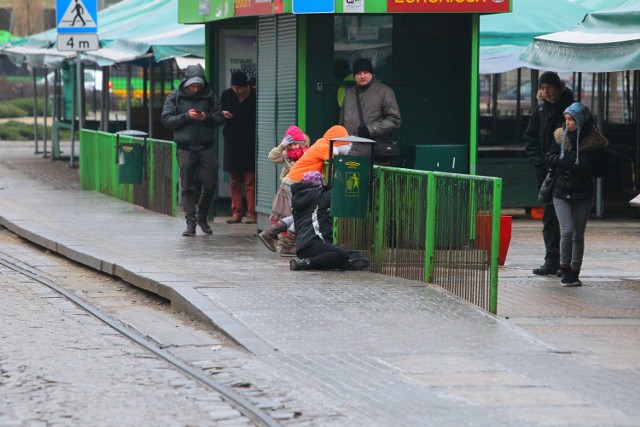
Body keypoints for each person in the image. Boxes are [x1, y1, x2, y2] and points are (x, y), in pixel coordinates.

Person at [258, 125, 353, 254]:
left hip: (295, 181)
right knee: (302, 214)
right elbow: (337, 163)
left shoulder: (321, 144)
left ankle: (271, 232)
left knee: (299, 213)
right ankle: (287, 244)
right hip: (297, 182)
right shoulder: (325, 147)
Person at [545, 102, 608, 286]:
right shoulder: (560, 137)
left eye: (571, 119)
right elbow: (548, 156)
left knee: (578, 234)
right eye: (566, 119)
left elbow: (602, 168)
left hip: (582, 193)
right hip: (561, 190)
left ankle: (575, 270)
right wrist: (561, 161)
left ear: (581, 120)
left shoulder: (594, 142)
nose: (568, 123)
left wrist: (585, 167)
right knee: (567, 230)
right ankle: (564, 268)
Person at [161, 64, 225, 237]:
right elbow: (166, 120)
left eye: (198, 85)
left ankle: (202, 215)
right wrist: (186, 116)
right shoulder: (175, 97)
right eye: (192, 86)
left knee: (210, 184)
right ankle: (190, 224)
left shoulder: (210, 95)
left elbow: (219, 118)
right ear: (185, 83)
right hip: (185, 148)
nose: (195, 89)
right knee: (187, 187)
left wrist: (207, 117)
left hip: (206, 147)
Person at [524, 71, 575, 276]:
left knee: (567, 222)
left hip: (567, 171)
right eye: (542, 88)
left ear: (558, 87)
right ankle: (552, 260)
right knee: (549, 217)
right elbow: (531, 138)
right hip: (546, 172)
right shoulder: (541, 109)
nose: (545, 92)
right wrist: (538, 162)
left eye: (548, 87)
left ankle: (567, 264)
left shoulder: (571, 110)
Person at [289, 171, 370, 271]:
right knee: (342, 255)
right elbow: (336, 194)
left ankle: (339, 263)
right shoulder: (319, 195)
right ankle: (306, 263)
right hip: (313, 243)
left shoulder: (299, 200)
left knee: (355, 255)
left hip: (303, 246)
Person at [262, 125, 310, 256]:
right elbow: (272, 157)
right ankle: (285, 244)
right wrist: (282, 146)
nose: (294, 147)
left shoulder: (307, 154)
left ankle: (284, 240)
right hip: (288, 189)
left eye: (297, 144)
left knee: (295, 215)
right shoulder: (285, 154)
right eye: (291, 144)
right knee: (288, 214)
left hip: (302, 188)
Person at [220, 71, 257, 224]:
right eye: (234, 88)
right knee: (234, 179)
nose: (237, 91)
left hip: (249, 140)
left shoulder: (255, 95)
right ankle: (236, 211)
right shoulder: (226, 95)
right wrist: (223, 114)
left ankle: (251, 212)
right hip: (232, 141)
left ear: (246, 86)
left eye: (240, 88)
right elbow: (217, 113)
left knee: (250, 179)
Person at [339, 58, 401, 142]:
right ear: (354, 76)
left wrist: (371, 130)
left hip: (374, 148)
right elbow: (342, 122)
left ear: (371, 74)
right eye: (359, 73)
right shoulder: (349, 94)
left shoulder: (385, 92)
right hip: (350, 148)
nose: (362, 76)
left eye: (366, 72)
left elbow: (394, 120)